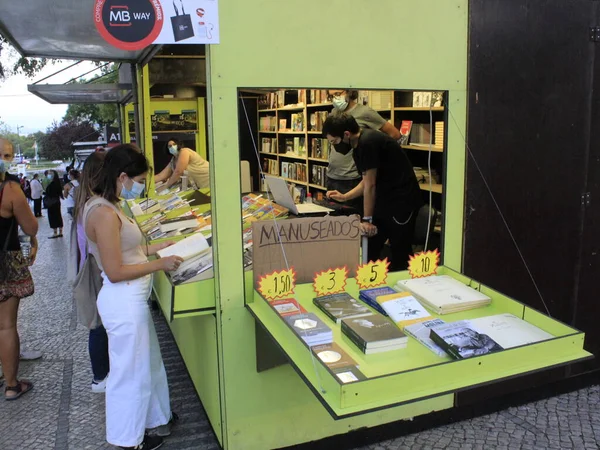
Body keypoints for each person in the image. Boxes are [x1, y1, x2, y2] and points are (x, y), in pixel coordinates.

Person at [84, 144, 182, 449]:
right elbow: (115, 270)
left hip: (131, 300)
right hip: (123, 300)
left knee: (146, 365)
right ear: (123, 176)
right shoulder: (102, 213)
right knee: (130, 374)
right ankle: (129, 440)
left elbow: (130, 251)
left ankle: (155, 420)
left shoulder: (108, 205)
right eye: (139, 181)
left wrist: (166, 246)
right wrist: (160, 263)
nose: (139, 187)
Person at [323, 114, 423, 271]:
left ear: (346, 134)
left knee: (400, 251)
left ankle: (404, 287)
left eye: (335, 141)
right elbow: (366, 180)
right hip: (385, 200)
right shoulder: (357, 145)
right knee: (370, 246)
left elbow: (370, 185)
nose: (335, 146)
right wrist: (345, 196)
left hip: (401, 202)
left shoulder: (368, 143)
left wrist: (367, 219)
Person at [0, 138, 39, 400]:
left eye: (9, 154)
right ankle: (12, 385)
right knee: (5, 326)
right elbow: (31, 228)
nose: (6, 159)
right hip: (5, 263)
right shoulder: (10, 189)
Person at [70, 153, 109, 393]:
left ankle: (100, 375)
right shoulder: (95, 207)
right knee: (99, 324)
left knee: (98, 325)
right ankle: (101, 377)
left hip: (90, 267)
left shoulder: (83, 200)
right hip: (96, 270)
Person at [326, 89, 401, 211]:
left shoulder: (365, 112)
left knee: (353, 222)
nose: (335, 98)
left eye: (338, 94)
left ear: (349, 92)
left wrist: (373, 159)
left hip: (353, 178)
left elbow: (394, 134)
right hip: (333, 175)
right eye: (331, 96)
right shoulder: (334, 112)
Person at [45, 170, 64, 238]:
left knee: (53, 217)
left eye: (50, 174)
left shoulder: (51, 185)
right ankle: (60, 231)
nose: (48, 175)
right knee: (58, 215)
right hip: (57, 202)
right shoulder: (58, 183)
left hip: (51, 203)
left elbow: (48, 193)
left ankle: (55, 233)